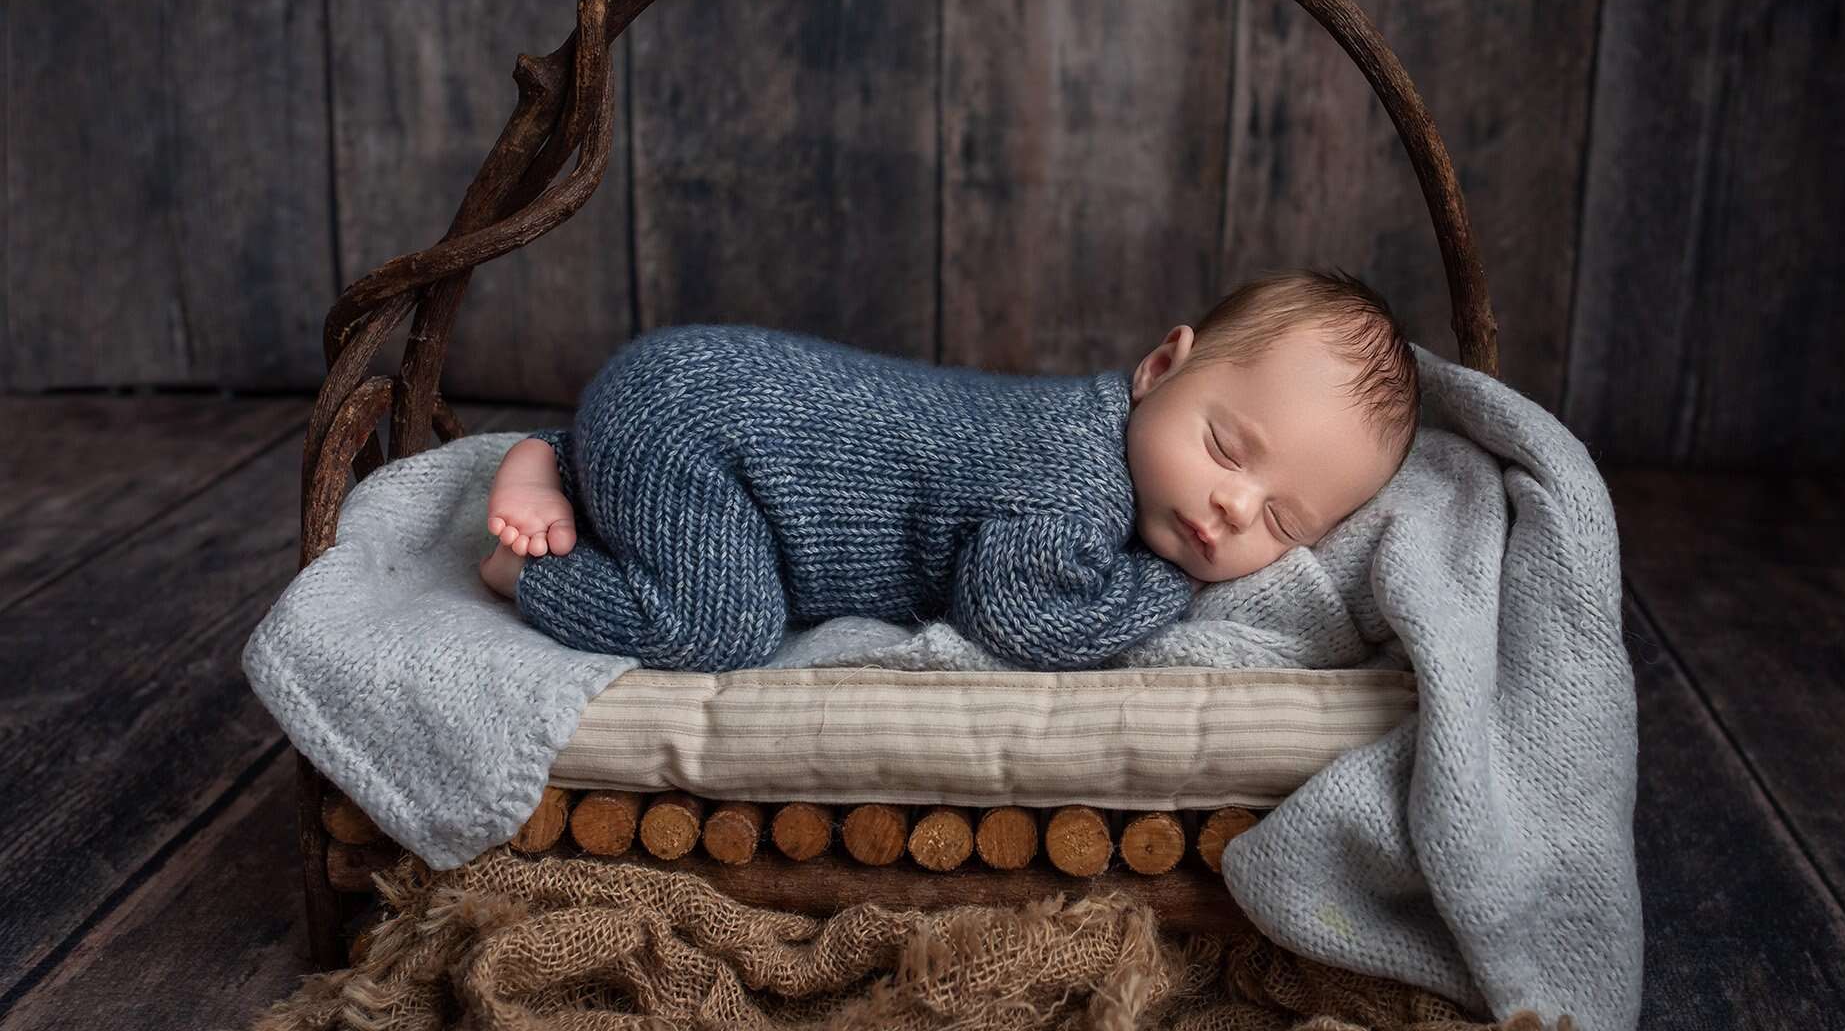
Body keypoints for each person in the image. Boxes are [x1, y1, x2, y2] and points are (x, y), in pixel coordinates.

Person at [479, 267, 1420, 671]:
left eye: (1284, 524)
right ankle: (532, 568)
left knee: (691, 534)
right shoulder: (1075, 481)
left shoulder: (1094, 427)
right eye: (1225, 448)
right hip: (693, 425)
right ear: (1160, 368)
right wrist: (1164, 585)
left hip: (678, 395)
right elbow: (1014, 615)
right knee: (724, 627)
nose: (1233, 505)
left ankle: (563, 458)